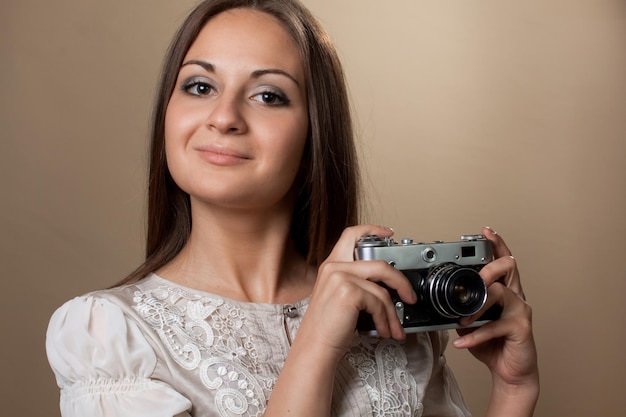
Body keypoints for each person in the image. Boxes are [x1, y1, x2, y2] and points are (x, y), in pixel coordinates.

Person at [46, 0, 539, 416]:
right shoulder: (108, 340)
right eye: (199, 86)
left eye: (268, 95)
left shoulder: (391, 316)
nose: (223, 117)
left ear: (314, 134)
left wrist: (514, 391)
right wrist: (317, 343)